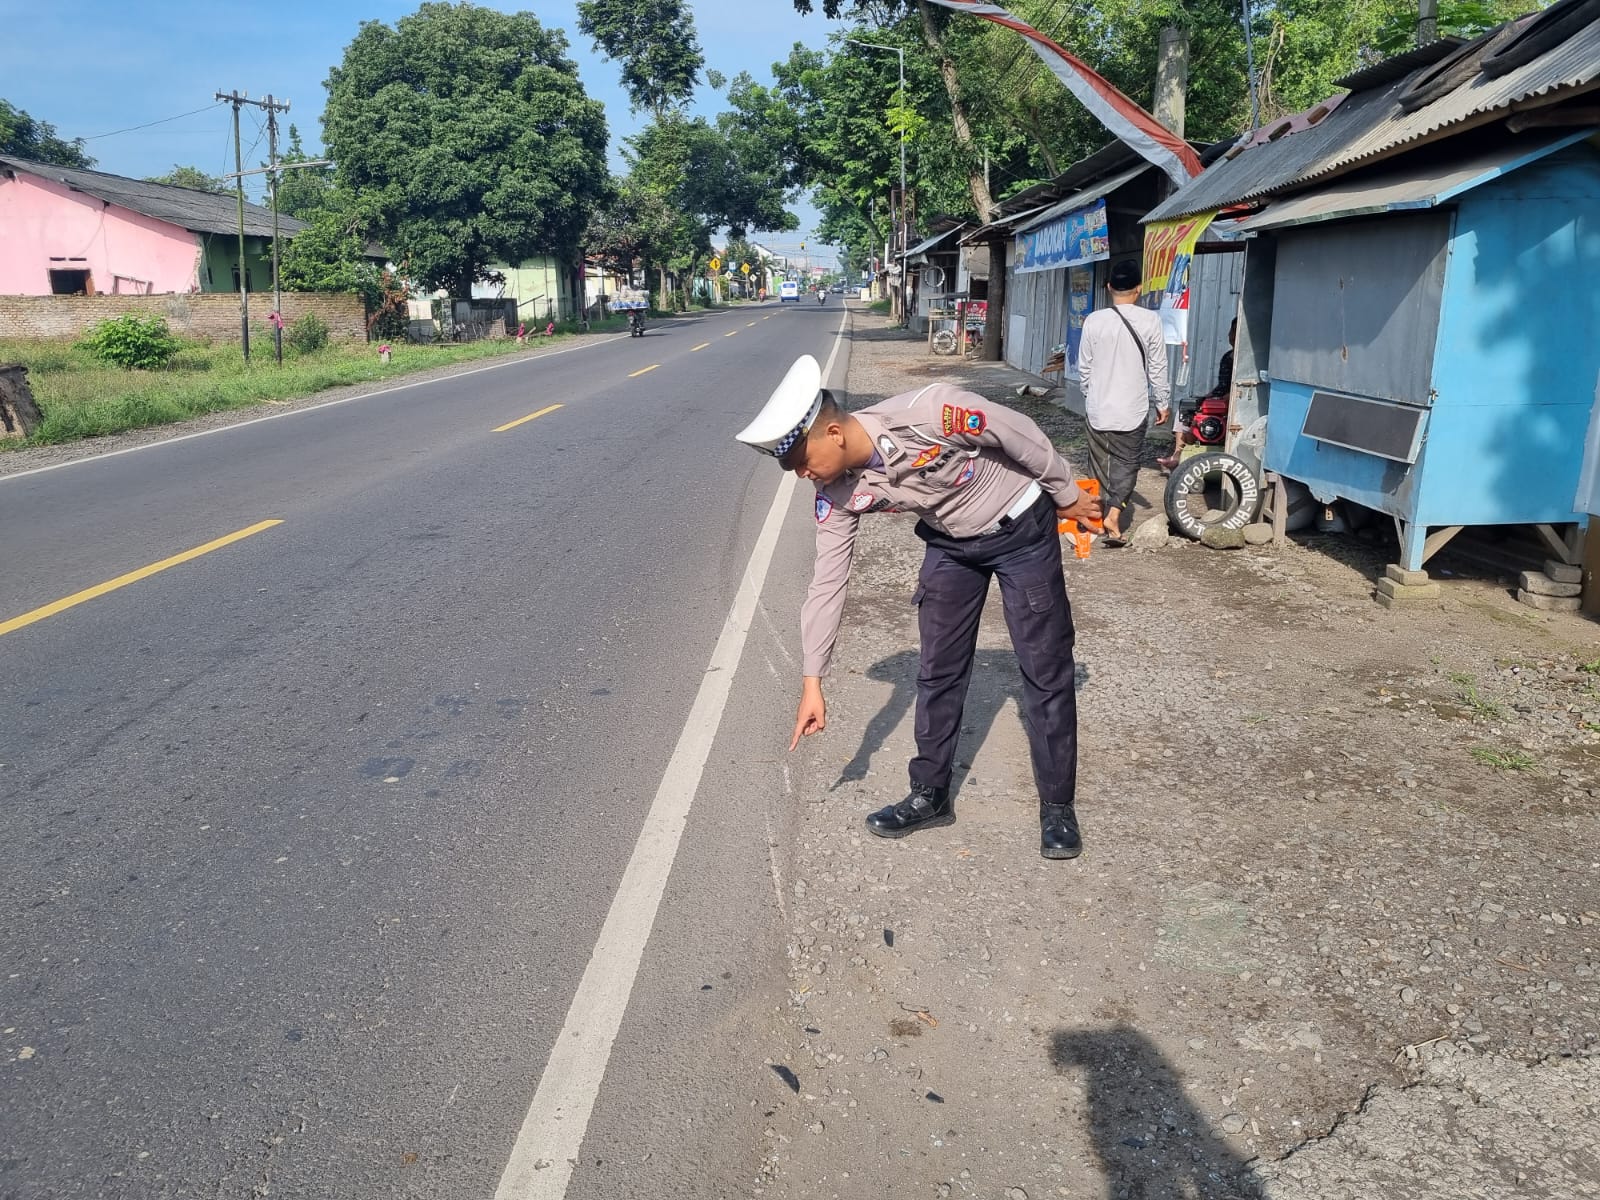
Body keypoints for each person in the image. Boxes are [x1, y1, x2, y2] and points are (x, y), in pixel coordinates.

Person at [735, 356, 1103, 860]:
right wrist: (812, 681)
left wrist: (1065, 492)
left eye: (801, 459)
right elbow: (827, 579)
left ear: (835, 433)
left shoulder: (931, 412)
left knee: (1045, 669)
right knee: (937, 671)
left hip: (1021, 530)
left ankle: (1057, 805)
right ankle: (930, 795)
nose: (801, 474)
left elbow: (1018, 430)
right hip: (952, 545)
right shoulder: (836, 489)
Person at [1077, 259, 1169, 547]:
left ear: (1108, 288)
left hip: (1099, 407)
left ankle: (1092, 519)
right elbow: (1158, 367)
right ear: (1139, 289)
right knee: (1128, 465)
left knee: (1098, 466)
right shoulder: (1150, 320)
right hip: (1133, 407)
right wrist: (1163, 402)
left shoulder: (1093, 320)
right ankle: (1114, 514)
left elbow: (1084, 368)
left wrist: (1090, 395)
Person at [1157, 319, 1236, 473]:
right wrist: (1206, 397)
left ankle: (1186, 450)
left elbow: (1235, 387)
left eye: (1233, 331)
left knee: (1199, 415)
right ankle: (1177, 453)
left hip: (1229, 401)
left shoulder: (1243, 360)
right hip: (1219, 398)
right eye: (1230, 331)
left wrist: (1224, 399)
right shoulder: (1228, 357)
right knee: (1185, 406)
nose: (1230, 335)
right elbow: (1222, 385)